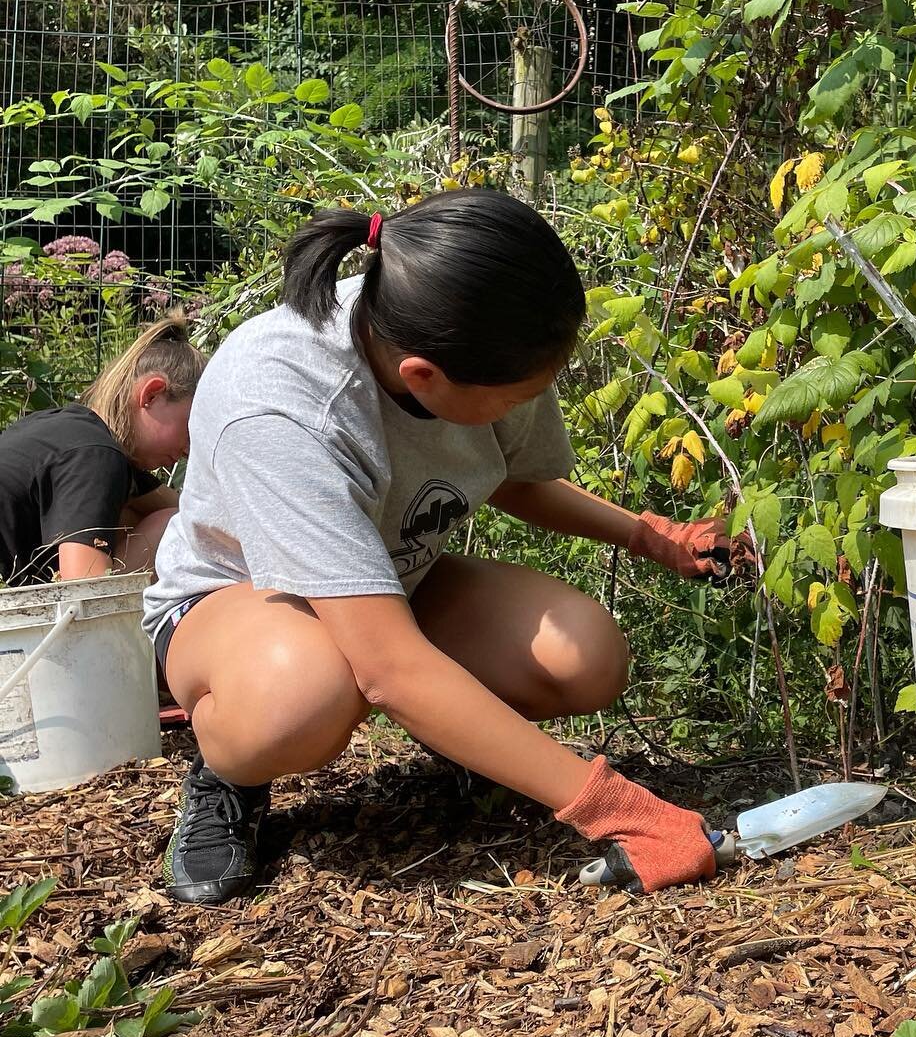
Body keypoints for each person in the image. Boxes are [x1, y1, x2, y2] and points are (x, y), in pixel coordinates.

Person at [145, 188, 741, 906]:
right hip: (235, 606)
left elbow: (517, 478)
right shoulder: (277, 403)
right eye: (520, 395)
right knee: (301, 695)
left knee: (583, 655)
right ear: (422, 378)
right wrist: (617, 811)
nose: (528, 403)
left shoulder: (469, 323)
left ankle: (466, 735)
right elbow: (388, 669)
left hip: (395, 580)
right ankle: (228, 773)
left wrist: (654, 536)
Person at [0, 314, 204, 586]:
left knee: (155, 520)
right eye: (191, 429)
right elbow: (84, 590)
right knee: (172, 528)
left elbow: (193, 512)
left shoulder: (67, 430)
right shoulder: (96, 456)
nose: (190, 450)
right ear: (151, 395)